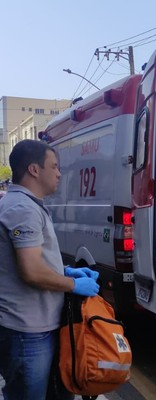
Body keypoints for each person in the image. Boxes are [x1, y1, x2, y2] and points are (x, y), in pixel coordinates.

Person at [0, 139, 100, 400]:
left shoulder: (28, 205)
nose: (59, 173)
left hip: (39, 325)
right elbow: (31, 271)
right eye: (54, 166)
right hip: (27, 332)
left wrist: (65, 271)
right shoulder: (22, 209)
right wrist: (74, 285)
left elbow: (32, 259)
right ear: (34, 169)